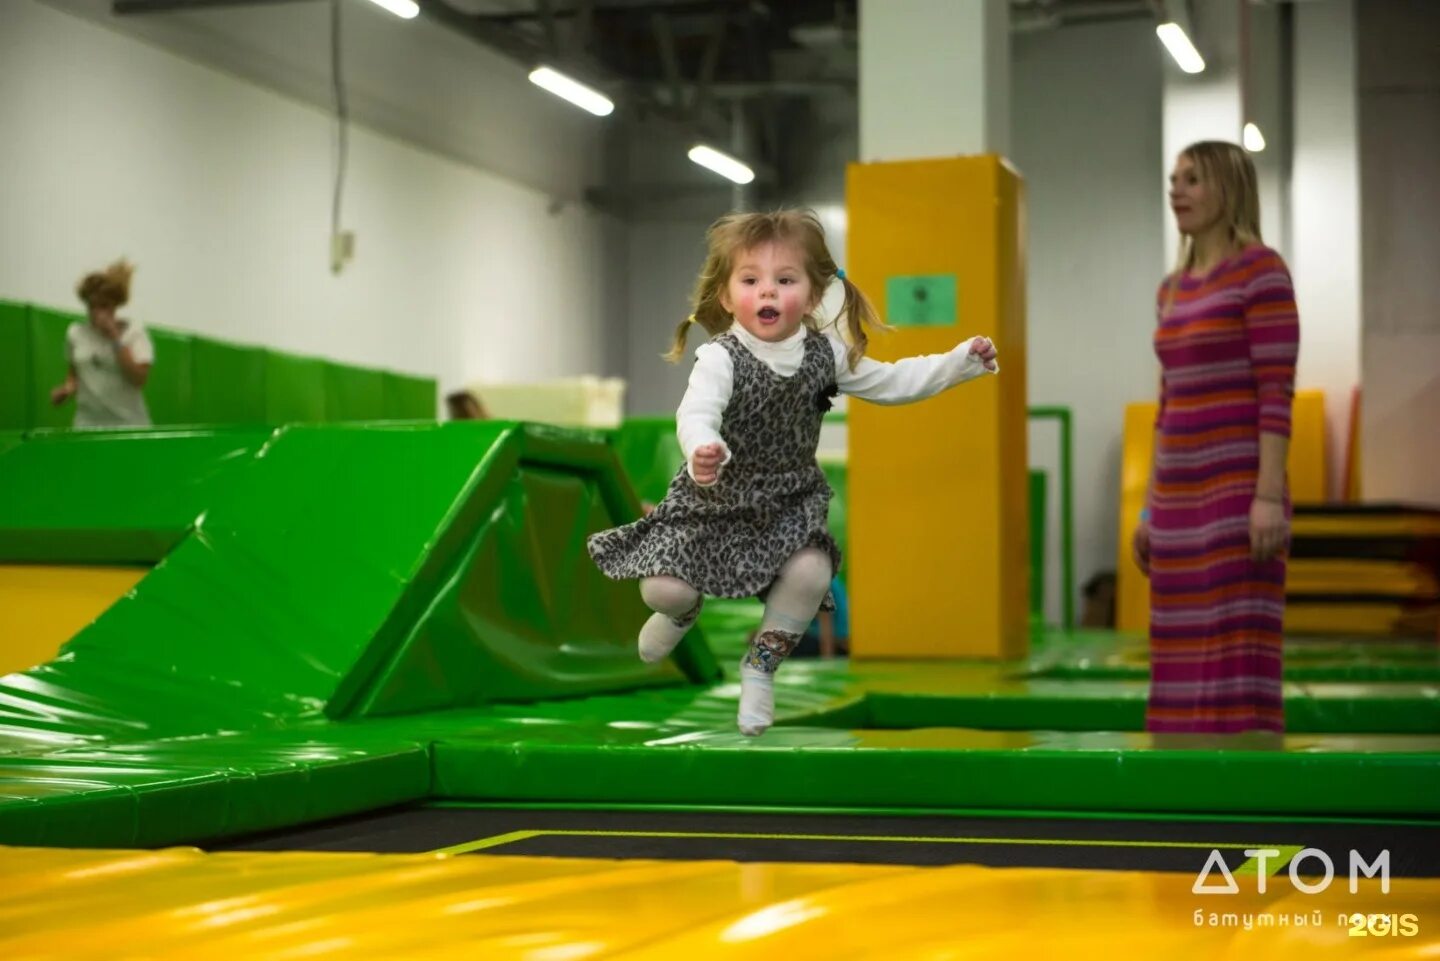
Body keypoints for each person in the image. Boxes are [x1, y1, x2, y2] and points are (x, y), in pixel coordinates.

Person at [587, 209, 998, 736]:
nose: (768, 293)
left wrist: (960, 362)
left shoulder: (825, 354)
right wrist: (703, 448)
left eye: (785, 281)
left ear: (812, 292)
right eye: (751, 280)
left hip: (787, 500)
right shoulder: (721, 357)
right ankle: (681, 615)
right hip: (713, 497)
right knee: (662, 590)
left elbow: (895, 382)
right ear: (727, 294)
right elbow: (696, 411)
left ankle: (760, 666)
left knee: (811, 573)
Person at [1132, 141, 1299, 738]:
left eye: (1193, 179)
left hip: (1237, 493)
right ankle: (1186, 798)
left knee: (1234, 655)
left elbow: (1277, 392)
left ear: (1227, 189)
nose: (1176, 189)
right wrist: (1151, 506)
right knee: (1176, 653)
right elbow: (1167, 404)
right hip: (1178, 497)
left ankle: (1251, 797)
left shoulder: (1262, 272)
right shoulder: (1170, 289)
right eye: (1173, 178)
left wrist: (1267, 496)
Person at [50, 259, 153, 428]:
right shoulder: (76, 333)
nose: (98, 312)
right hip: (87, 425)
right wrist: (67, 389)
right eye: (92, 306)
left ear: (116, 306)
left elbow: (138, 379)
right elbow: (75, 372)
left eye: (104, 306)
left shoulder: (134, 332)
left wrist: (114, 337)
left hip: (128, 425)